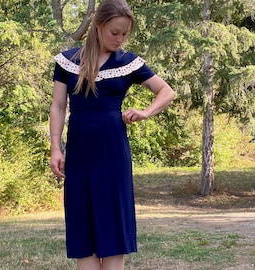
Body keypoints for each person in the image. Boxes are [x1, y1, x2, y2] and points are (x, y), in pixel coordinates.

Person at [49, 0, 175, 269]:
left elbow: (166, 92)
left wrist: (145, 112)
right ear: (98, 26)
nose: (120, 39)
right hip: (79, 152)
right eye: (114, 32)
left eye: (124, 34)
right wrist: (56, 149)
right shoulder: (67, 61)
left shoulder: (127, 62)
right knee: (84, 235)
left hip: (113, 154)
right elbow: (58, 106)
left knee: (113, 233)